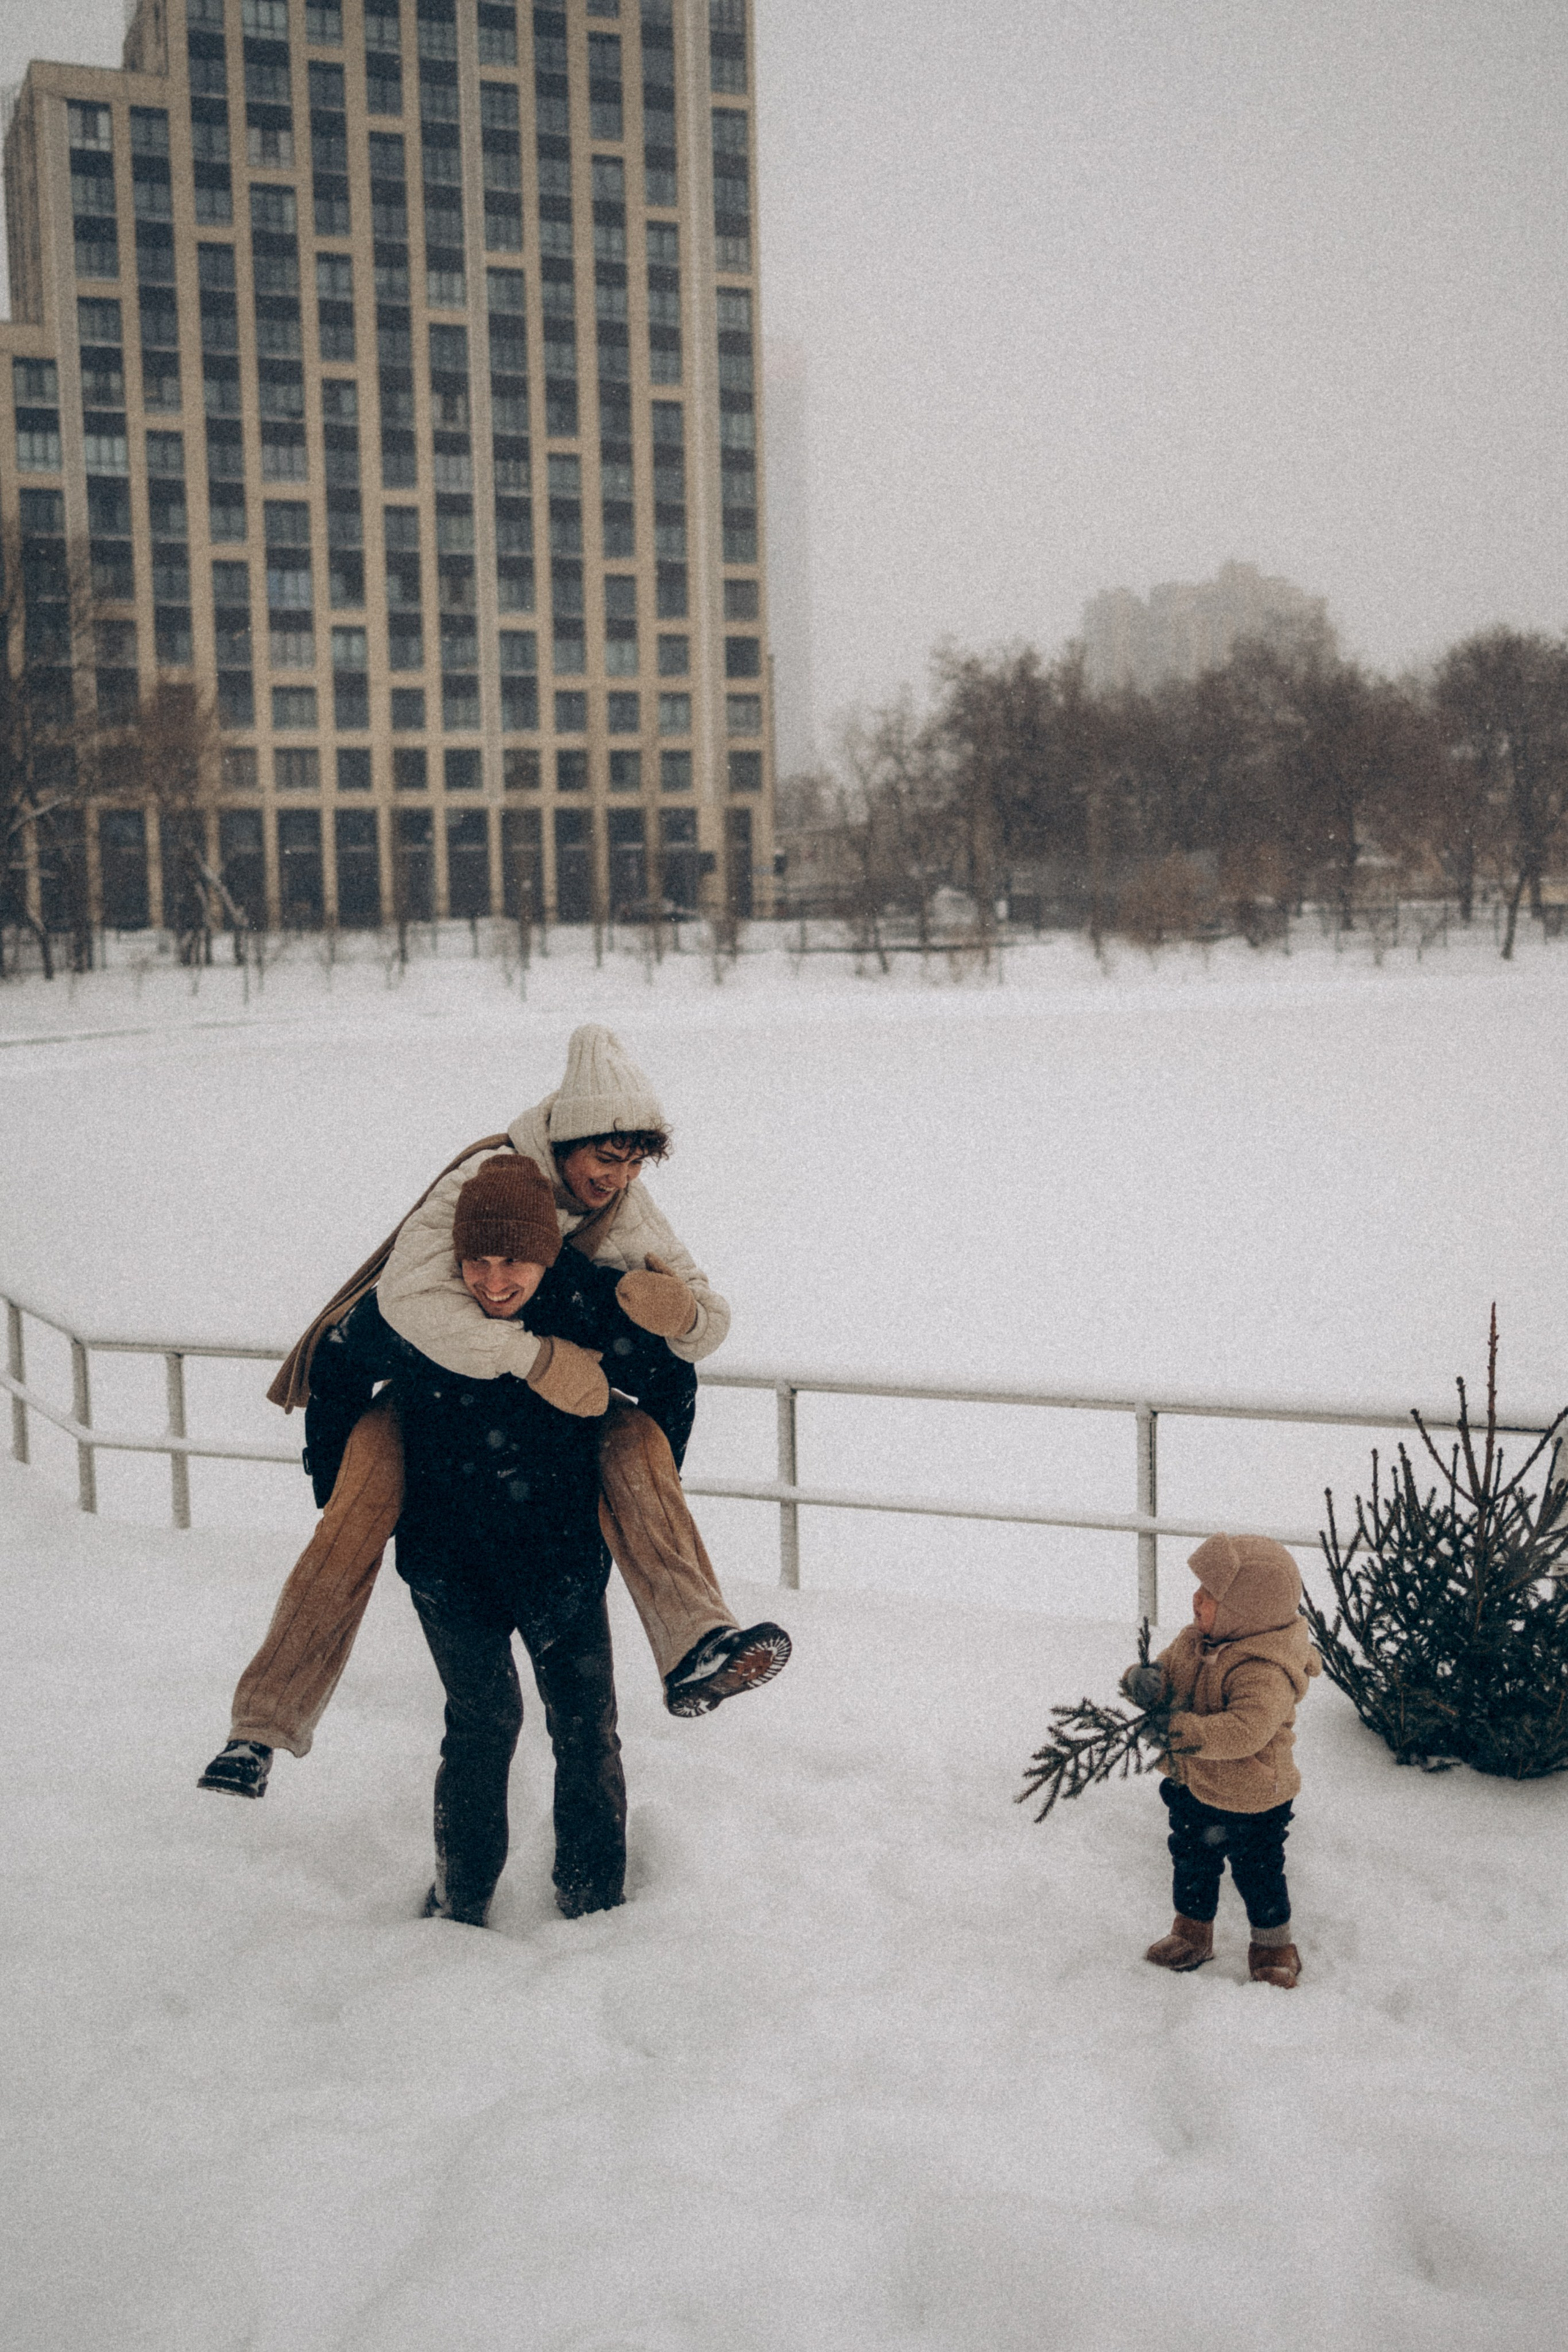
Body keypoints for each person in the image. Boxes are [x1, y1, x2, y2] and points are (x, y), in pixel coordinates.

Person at [198, 1024, 788, 1802]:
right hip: (419, 1397)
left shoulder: (626, 1204)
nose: (618, 1179)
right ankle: (261, 1728)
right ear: (567, 1141)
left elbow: (705, 1322)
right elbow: (406, 1303)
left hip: (547, 1434)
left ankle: (698, 1644)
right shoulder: (478, 1183)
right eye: (605, 1160)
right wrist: (537, 1360)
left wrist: (680, 1313)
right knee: (349, 1526)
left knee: (636, 1443)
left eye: (634, 1162)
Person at [1122, 1532, 1320, 1988]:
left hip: (1254, 1798)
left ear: (1244, 1611)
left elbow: (1245, 1731)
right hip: (1194, 1785)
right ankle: (1192, 1933)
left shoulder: (1265, 1669)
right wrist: (1145, 1682)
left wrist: (1182, 1733)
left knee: (1258, 1872)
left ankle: (1274, 1946)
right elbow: (1168, 1674)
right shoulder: (1193, 1642)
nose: (1196, 1599)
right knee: (1192, 1859)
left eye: (1210, 1594)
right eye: (1199, 1588)